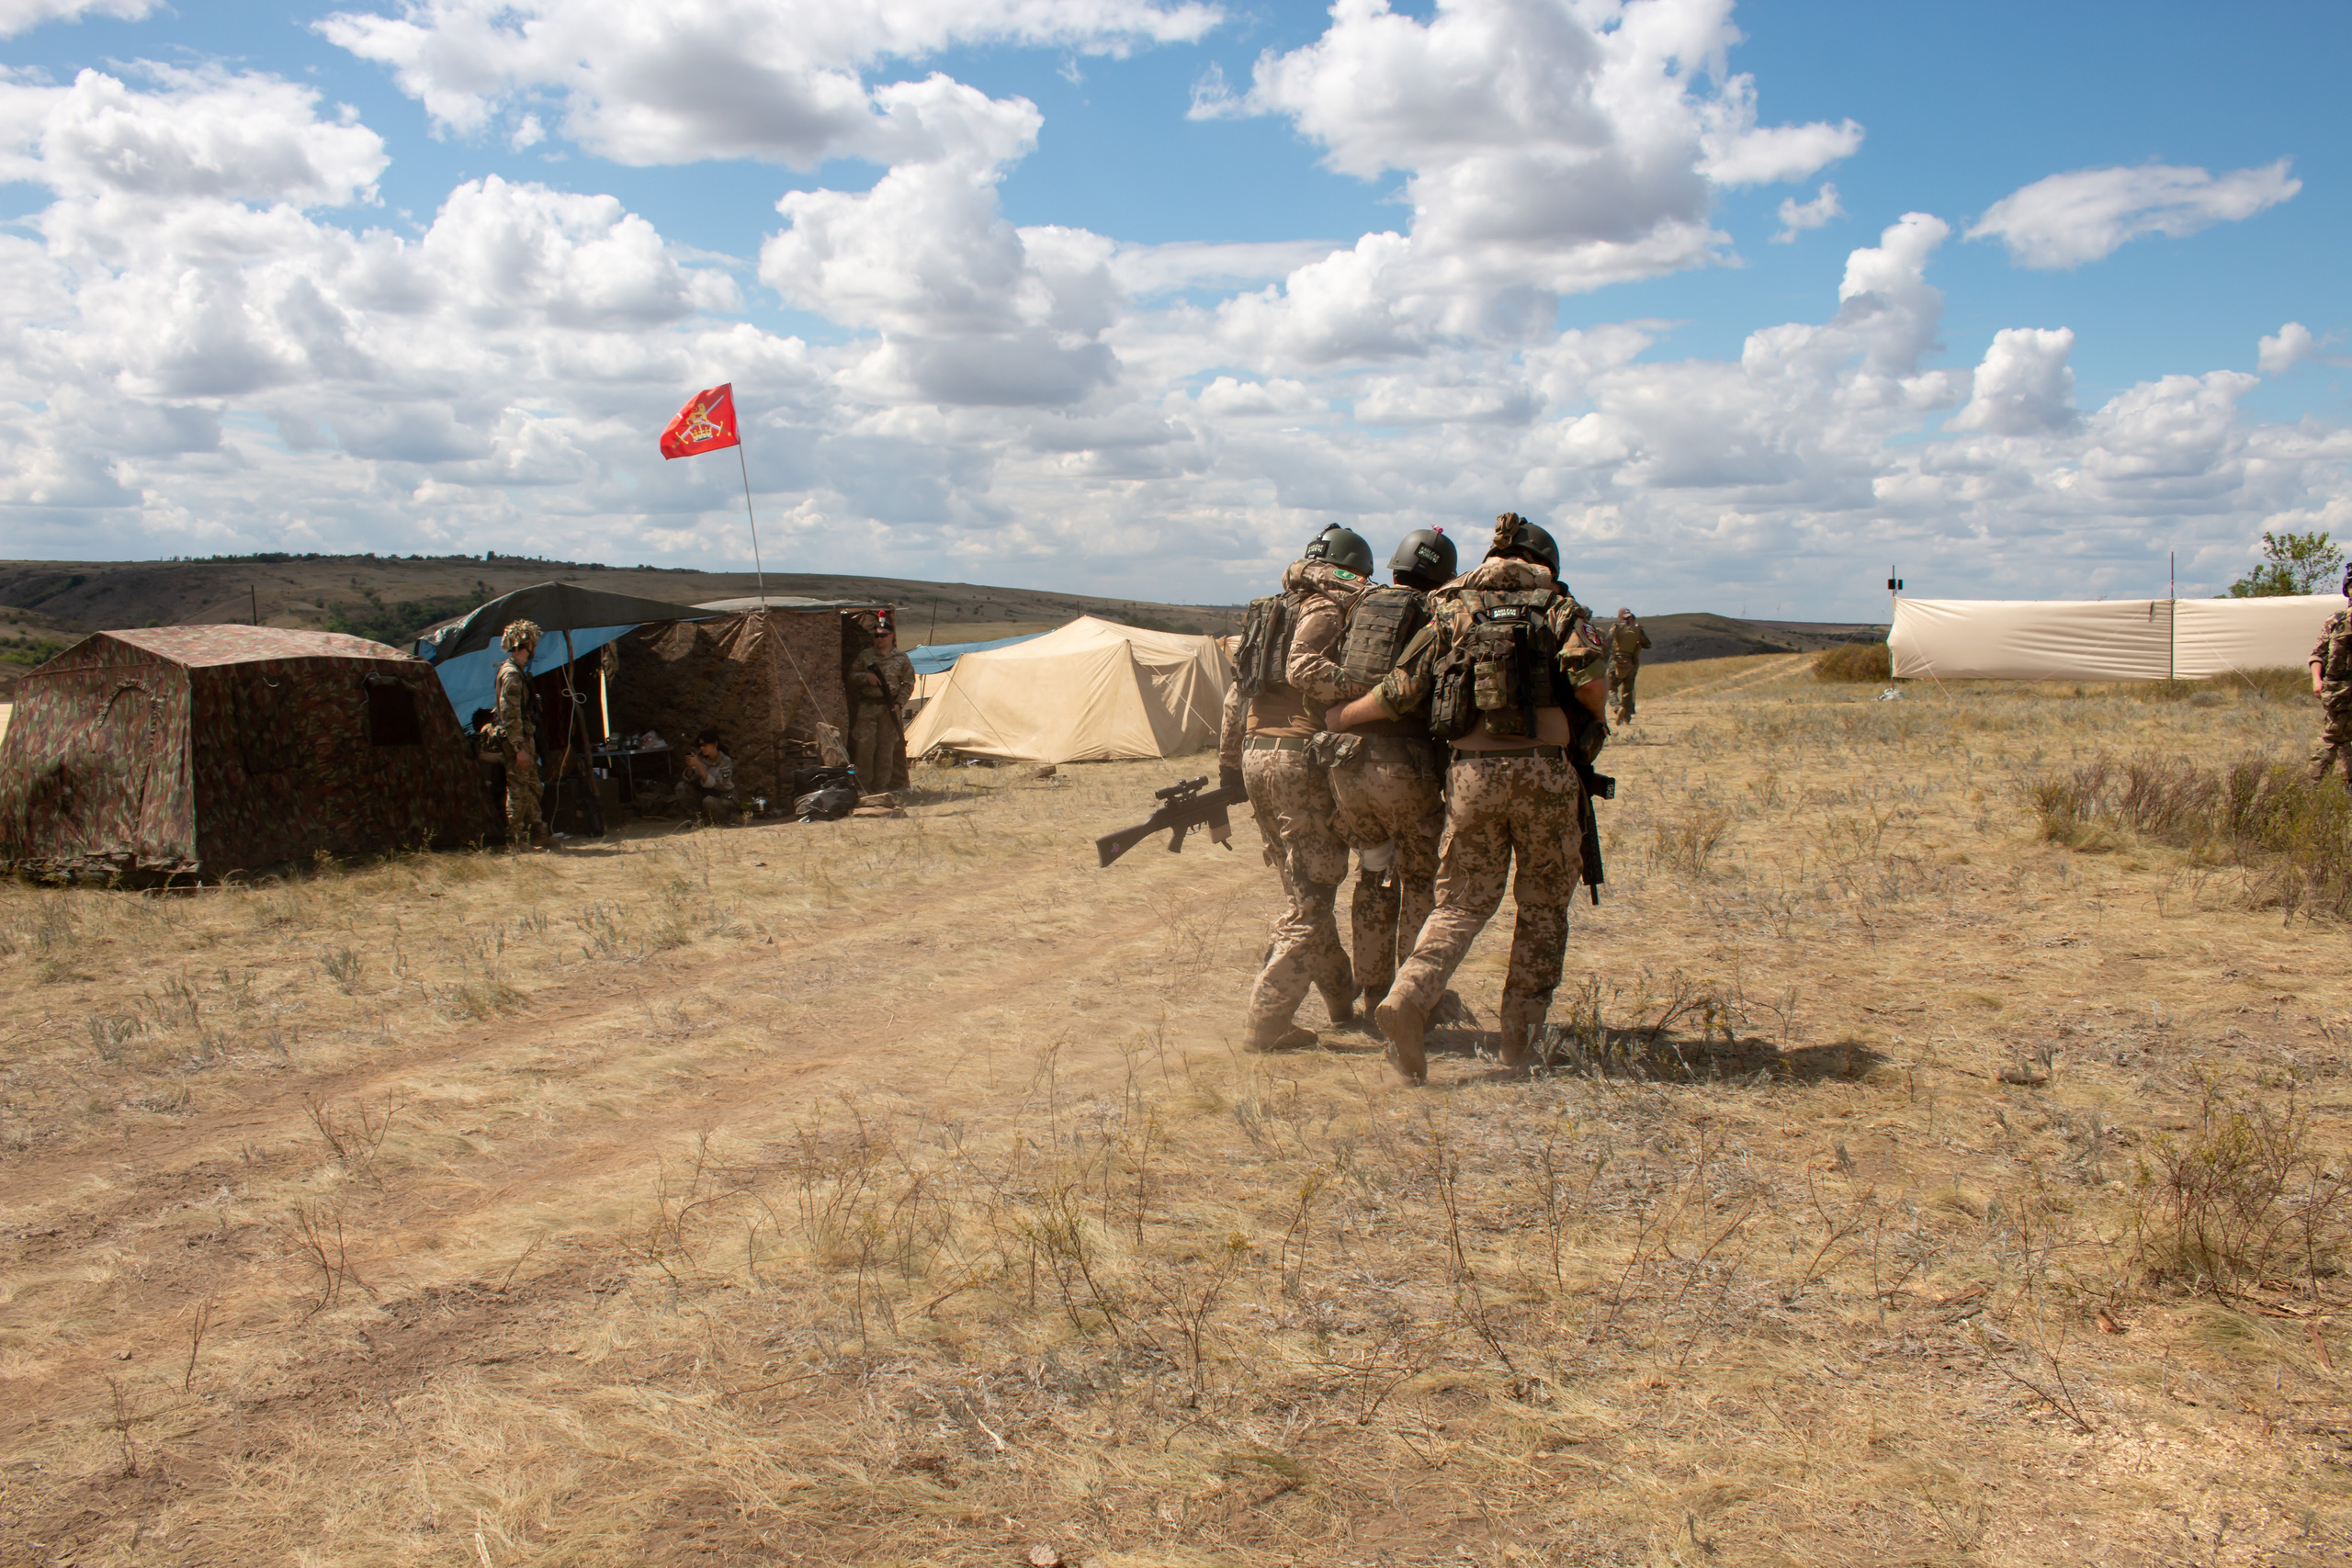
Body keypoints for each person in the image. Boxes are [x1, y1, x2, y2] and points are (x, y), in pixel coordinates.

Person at [1327, 513, 1610, 1083]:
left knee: (1459, 904)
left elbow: (1402, 689)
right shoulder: (1560, 609)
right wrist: (1585, 724)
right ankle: (1519, 1043)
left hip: (1470, 777)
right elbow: (1593, 686)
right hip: (1544, 773)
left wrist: (1341, 717)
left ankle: (1409, 996)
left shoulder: (1453, 608)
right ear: (1546, 563)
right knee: (1542, 909)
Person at [1294, 526, 1456, 1019]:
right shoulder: (1437, 610)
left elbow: (1309, 572)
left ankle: (1371, 992)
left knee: (1374, 874)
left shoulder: (1361, 599)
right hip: (1401, 765)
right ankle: (1412, 1000)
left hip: (1347, 766)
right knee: (1421, 880)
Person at [1234, 525, 1373, 1052]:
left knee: (1304, 889)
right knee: (1312, 898)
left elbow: (1236, 697)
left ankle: (1341, 1000)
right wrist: (1369, 690)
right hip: (1298, 760)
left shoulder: (1270, 611)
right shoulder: (1327, 608)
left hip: (1256, 753)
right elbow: (1306, 671)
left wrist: (1230, 768)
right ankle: (1267, 1022)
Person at [492, 619, 548, 852]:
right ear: (527, 644)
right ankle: (515, 840)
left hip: (525, 739)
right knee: (518, 790)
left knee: (532, 787)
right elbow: (509, 714)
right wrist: (519, 748)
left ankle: (538, 834)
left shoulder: (519, 672)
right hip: (518, 742)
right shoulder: (512, 675)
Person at [847, 612, 915, 795]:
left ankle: (882, 789)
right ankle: (863, 788)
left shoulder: (901, 658)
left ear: (891, 636)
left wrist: (899, 704)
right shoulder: (865, 656)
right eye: (876, 636)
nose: (879, 639)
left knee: (886, 750)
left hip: (889, 709)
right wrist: (866, 677)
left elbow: (909, 683)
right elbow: (851, 676)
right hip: (868, 708)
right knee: (864, 749)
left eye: (883, 635)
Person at [2310, 566, 2352, 786]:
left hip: (2338, 691)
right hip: (2340, 690)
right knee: (2335, 737)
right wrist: (2317, 681)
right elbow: (2318, 654)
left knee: (2341, 737)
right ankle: (2312, 785)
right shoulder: (2335, 621)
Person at [673, 728, 740, 825]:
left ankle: (724, 819)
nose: (702, 748)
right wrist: (690, 767)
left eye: (705, 745)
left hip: (722, 796)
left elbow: (719, 785)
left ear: (715, 744)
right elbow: (690, 780)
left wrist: (699, 766)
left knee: (709, 801)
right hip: (705, 793)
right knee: (681, 787)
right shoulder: (700, 756)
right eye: (700, 745)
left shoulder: (725, 761)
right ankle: (698, 817)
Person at [1609, 608, 1652, 726]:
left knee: (1610, 688)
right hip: (1631, 663)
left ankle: (1618, 708)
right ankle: (1627, 716)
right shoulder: (1638, 630)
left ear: (1620, 617)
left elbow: (1608, 641)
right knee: (1627, 690)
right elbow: (1647, 644)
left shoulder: (1616, 627)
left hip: (1616, 662)